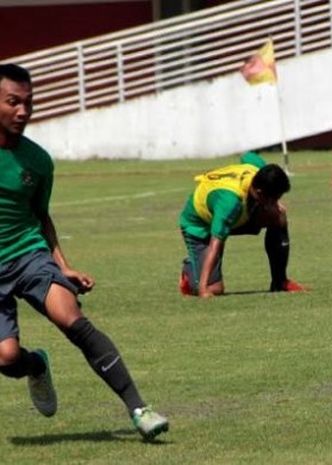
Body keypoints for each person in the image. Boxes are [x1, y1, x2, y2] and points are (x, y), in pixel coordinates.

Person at [0, 63, 168, 440]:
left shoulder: (38, 161)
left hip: (29, 255)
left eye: (28, 103)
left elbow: (41, 216)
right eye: (13, 102)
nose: (23, 111)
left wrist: (64, 265)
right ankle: (36, 366)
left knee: (71, 317)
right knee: (7, 358)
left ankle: (139, 409)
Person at [178, 152, 305, 297]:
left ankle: (280, 281)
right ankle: (190, 270)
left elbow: (248, 156)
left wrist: (273, 204)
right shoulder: (229, 202)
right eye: (274, 198)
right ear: (259, 192)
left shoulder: (256, 171)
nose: (276, 202)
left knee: (278, 216)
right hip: (200, 228)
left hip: (229, 217)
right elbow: (216, 242)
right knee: (214, 289)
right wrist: (202, 289)